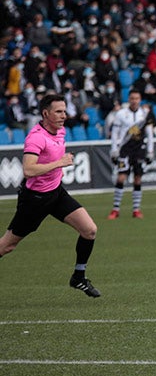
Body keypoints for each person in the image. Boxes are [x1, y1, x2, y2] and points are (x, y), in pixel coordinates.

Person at [0, 94, 100, 297]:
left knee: (89, 230)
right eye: (59, 111)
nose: (64, 115)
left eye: (64, 111)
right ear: (46, 114)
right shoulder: (36, 137)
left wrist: (57, 169)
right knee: (7, 246)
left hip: (56, 193)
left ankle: (78, 277)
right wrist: (59, 163)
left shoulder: (60, 130)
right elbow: (28, 170)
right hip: (35, 200)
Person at [107, 90, 156, 220]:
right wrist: (114, 149)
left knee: (138, 179)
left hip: (139, 150)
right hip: (124, 150)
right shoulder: (121, 114)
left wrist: (150, 151)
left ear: (140, 100)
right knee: (121, 178)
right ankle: (115, 209)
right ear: (129, 99)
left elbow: (150, 134)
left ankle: (136, 210)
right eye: (132, 98)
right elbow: (115, 133)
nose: (134, 101)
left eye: (137, 98)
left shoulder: (145, 114)